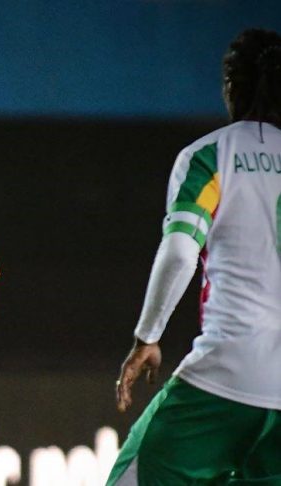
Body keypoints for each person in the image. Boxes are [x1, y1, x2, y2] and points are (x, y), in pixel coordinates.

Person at [107, 28, 281, 485]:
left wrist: (147, 337)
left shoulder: (210, 157)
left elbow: (181, 252)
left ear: (231, 88)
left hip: (228, 374)